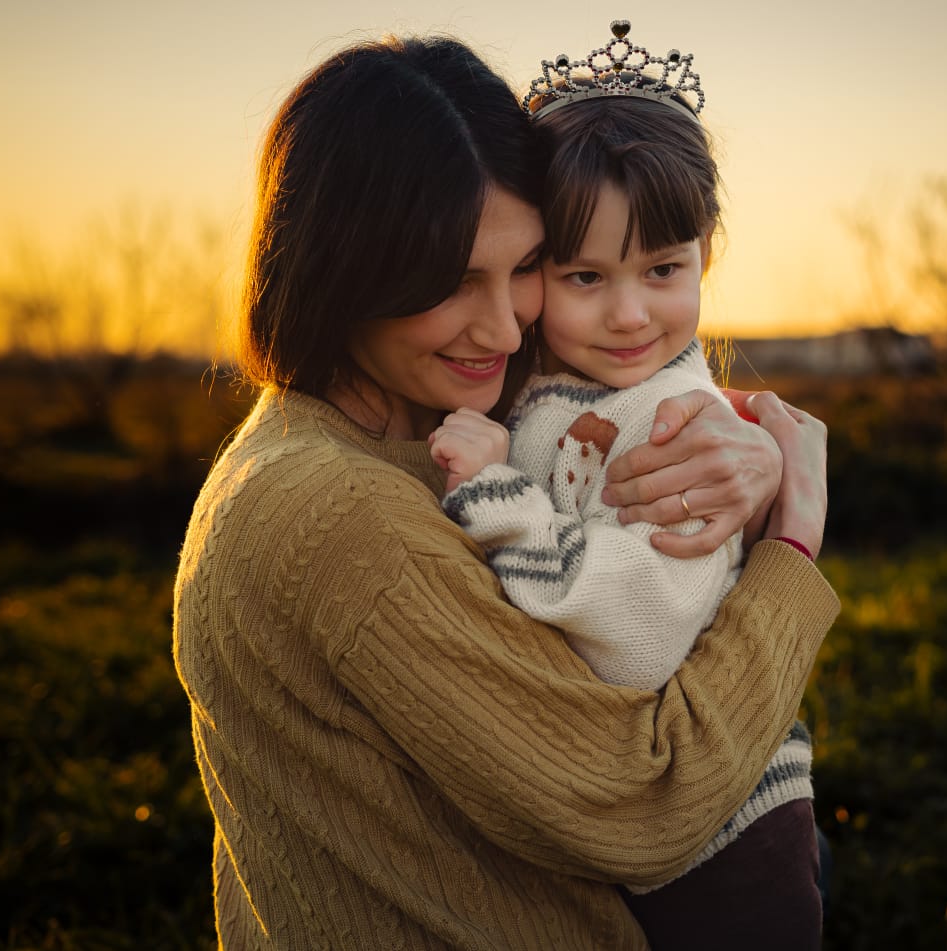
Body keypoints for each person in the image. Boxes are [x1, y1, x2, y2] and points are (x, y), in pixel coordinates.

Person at [171, 30, 837, 951]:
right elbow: (643, 805)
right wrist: (789, 549)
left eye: (524, 266)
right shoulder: (340, 513)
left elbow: (612, 408)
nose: (501, 324)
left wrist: (749, 444)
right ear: (344, 268)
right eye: (450, 281)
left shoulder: (404, 421)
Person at [427, 21, 823, 948]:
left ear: (706, 253)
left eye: (662, 269)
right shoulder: (556, 391)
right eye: (584, 276)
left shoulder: (673, 428)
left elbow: (644, 635)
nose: (629, 312)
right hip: (644, 816)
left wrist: (501, 501)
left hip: (724, 845)